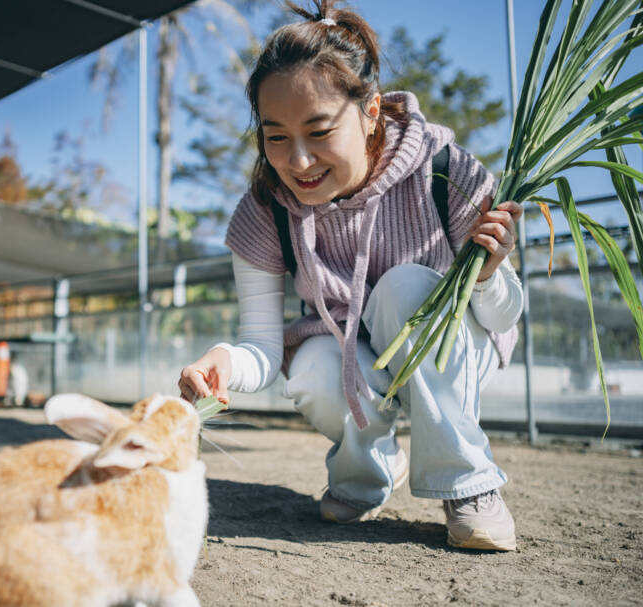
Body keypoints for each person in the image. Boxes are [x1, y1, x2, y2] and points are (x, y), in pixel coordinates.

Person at [178, 0, 523, 552]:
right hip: (351, 354)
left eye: (319, 130)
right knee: (311, 363)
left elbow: (503, 318)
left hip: (455, 351)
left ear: (370, 111)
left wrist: (490, 274)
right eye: (275, 136)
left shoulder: (447, 172)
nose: (298, 161)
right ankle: (369, 469)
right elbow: (263, 347)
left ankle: (469, 483)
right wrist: (223, 361)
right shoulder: (266, 210)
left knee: (404, 288)